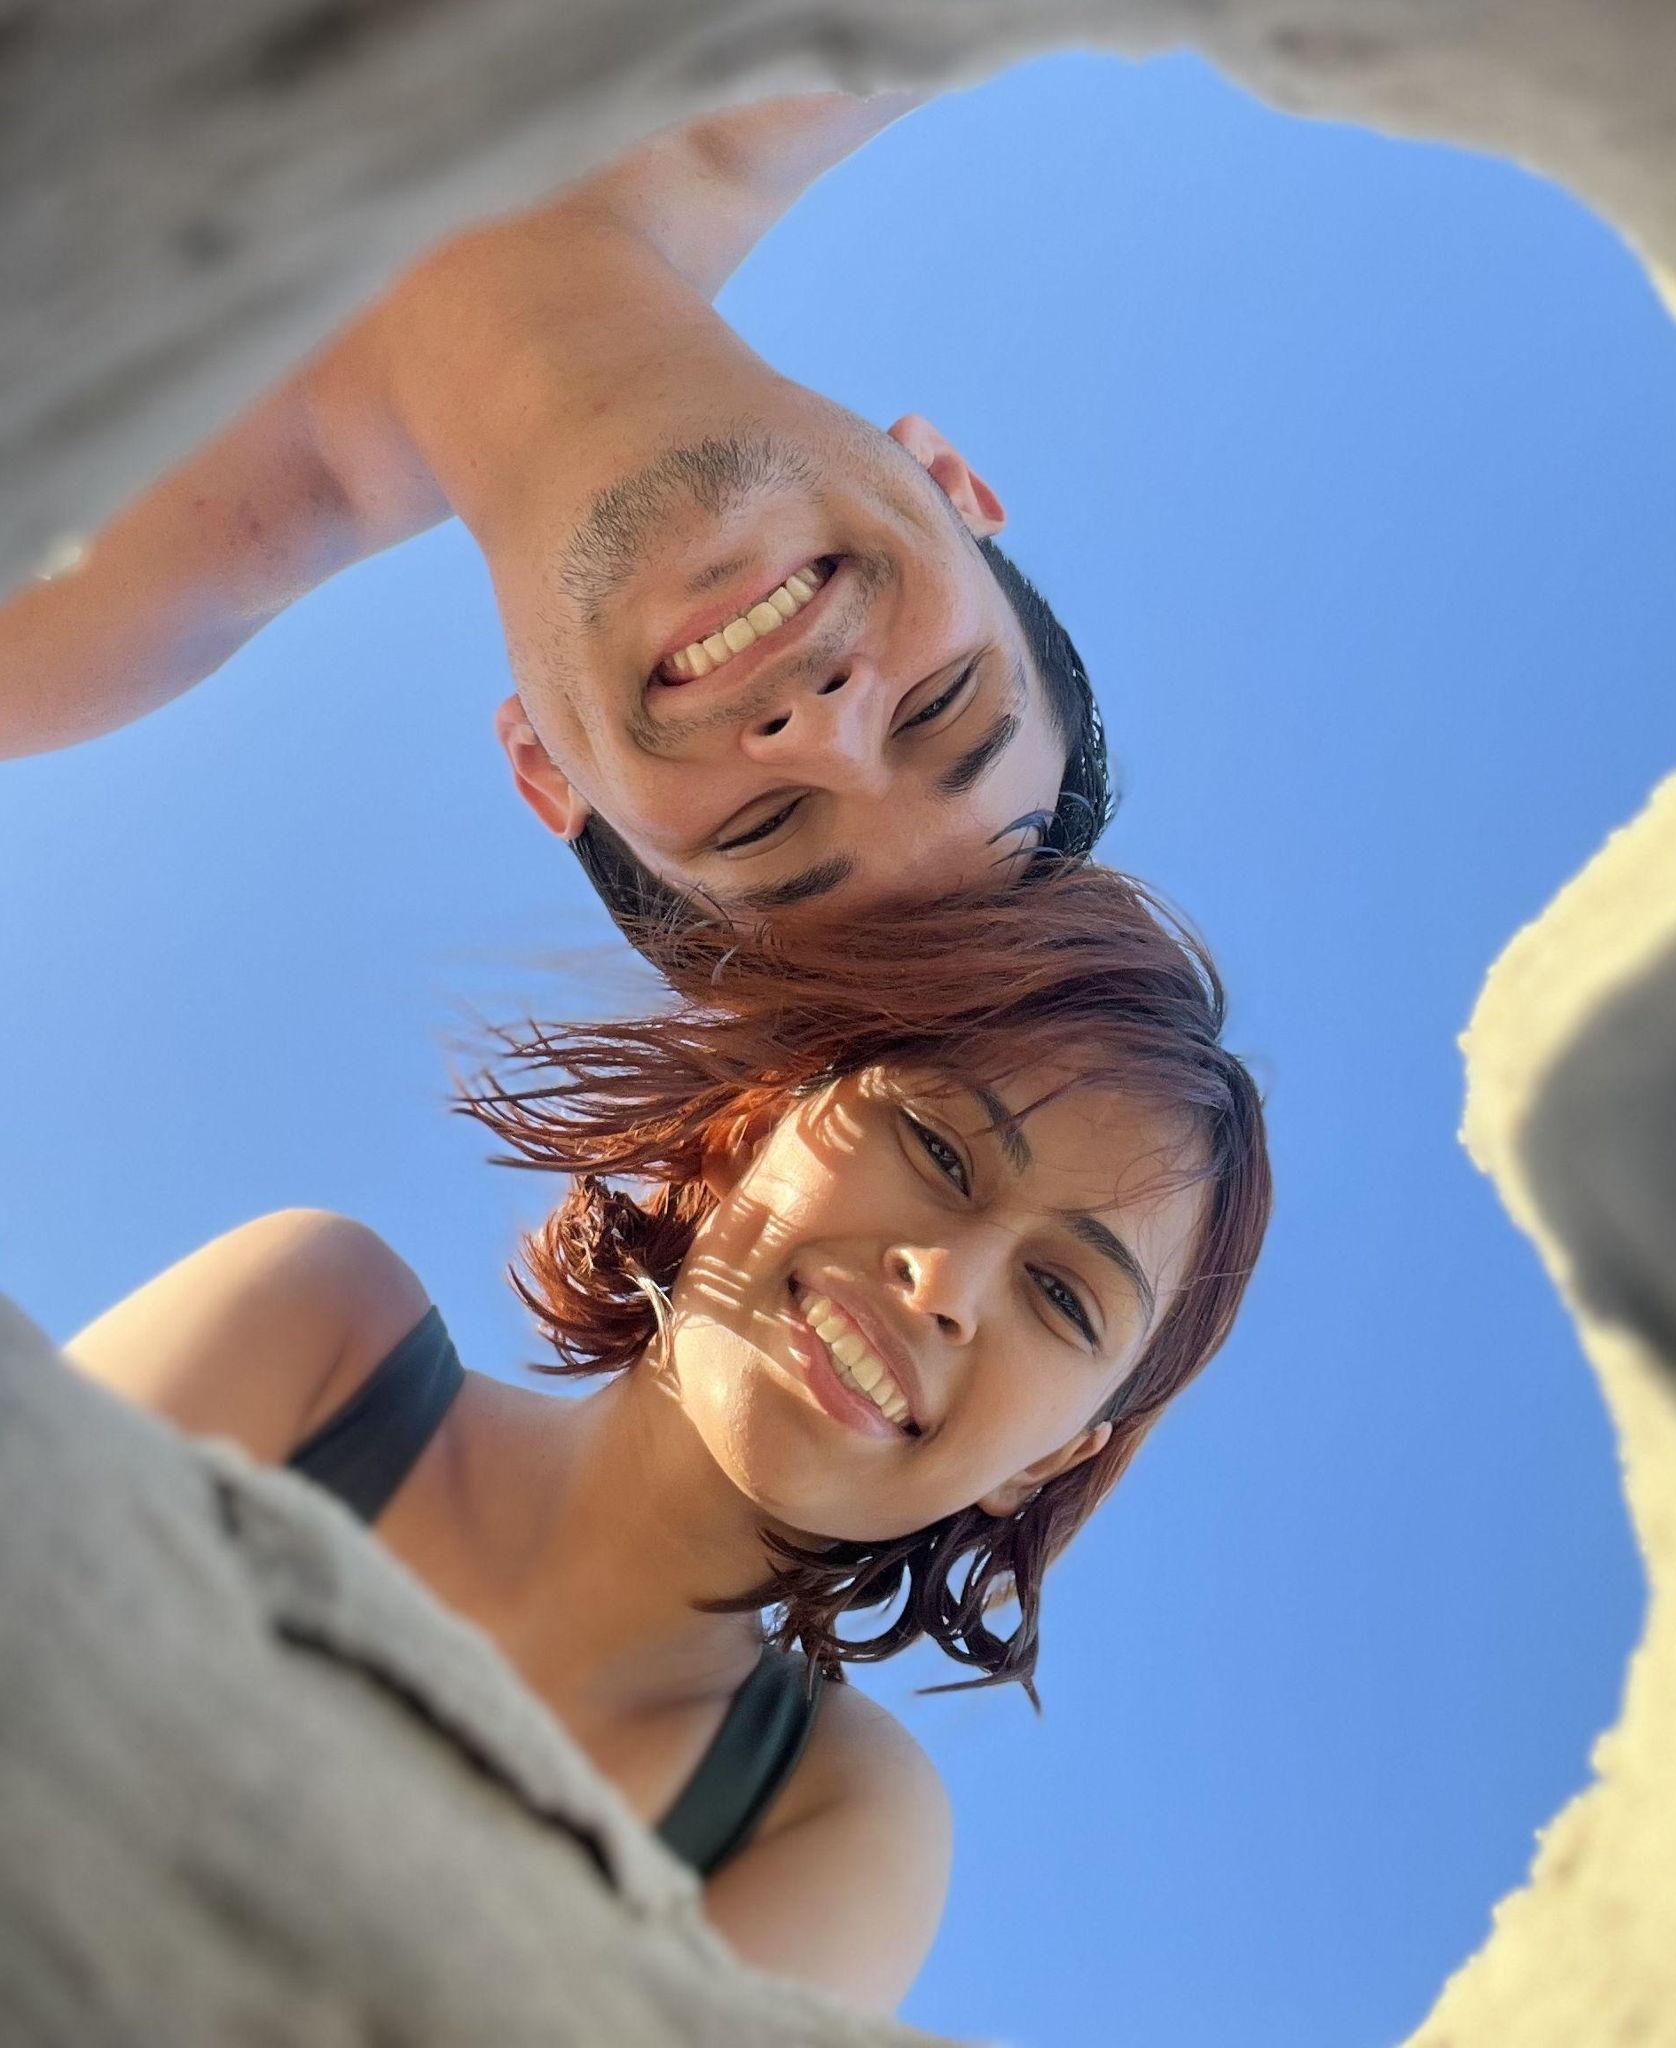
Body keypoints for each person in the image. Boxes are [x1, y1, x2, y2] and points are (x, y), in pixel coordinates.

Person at [64, 864, 1271, 2015]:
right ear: (758, 1125)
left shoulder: (833, 1812)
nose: (946, 1284)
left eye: (1061, 1297)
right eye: (938, 1147)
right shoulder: (318, 1332)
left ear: (1042, 1460)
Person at [0, 91, 1113, 930]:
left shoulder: (46, 621)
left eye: (762, 826)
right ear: (949, 484)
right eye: (939, 707)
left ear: (546, 768)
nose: (821, 729)